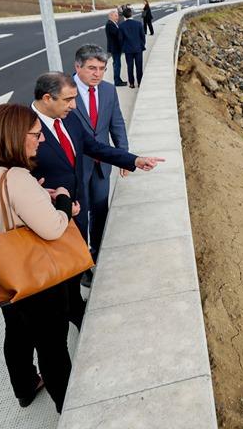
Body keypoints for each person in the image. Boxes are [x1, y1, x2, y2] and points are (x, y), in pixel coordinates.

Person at [0, 103, 81, 413]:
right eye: (36, 135)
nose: (40, 140)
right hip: (27, 272)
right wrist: (63, 200)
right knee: (52, 345)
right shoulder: (16, 178)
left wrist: (35, 197)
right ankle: (69, 409)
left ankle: (24, 386)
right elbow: (53, 229)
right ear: (14, 136)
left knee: (17, 329)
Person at [30, 72, 162, 326]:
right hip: (47, 218)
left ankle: (76, 308)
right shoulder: (22, 127)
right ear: (47, 98)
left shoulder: (69, 120)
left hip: (77, 209)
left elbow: (94, 147)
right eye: (68, 100)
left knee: (73, 267)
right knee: (56, 277)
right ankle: (66, 312)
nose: (74, 106)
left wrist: (133, 160)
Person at [72, 44, 129, 264]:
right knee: (79, 217)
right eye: (91, 68)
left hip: (101, 166)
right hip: (75, 167)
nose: (98, 74)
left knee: (100, 211)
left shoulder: (108, 90)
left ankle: (95, 255)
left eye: (102, 68)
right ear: (78, 66)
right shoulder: (65, 91)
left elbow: (117, 124)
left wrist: (122, 156)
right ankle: (79, 263)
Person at [118, 5, 146, 88]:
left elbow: (120, 39)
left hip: (128, 49)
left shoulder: (122, 26)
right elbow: (142, 36)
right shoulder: (138, 24)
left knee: (129, 67)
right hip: (138, 49)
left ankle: (131, 83)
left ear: (124, 16)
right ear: (131, 14)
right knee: (139, 66)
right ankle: (140, 82)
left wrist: (123, 47)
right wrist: (142, 45)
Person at [104, 9, 126, 85]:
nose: (118, 17)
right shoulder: (110, 24)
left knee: (117, 64)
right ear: (111, 16)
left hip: (116, 48)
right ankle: (117, 81)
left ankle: (118, 80)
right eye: (116, 16)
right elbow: (117, 34)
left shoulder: (113, 23)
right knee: (117, 64)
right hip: (115, 48)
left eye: (117, 16)